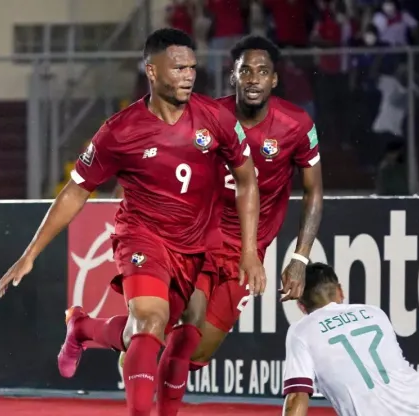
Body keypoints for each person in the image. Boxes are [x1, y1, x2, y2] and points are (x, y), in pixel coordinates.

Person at [0, 28, 265, 416]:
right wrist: (31, 253)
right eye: (178, 67)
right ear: (152, 71)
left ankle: (83, 329)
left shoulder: (217, 118)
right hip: (144, 237)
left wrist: (250, 251)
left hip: (198, 242)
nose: (189, 74)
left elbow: (246, 179)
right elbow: (75, 191)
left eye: (192, 67)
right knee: (151, 324)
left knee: (187, 334)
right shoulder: (119, 131)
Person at [120, 34, 324, 377]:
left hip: (247, 249)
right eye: (245, 71)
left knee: (195, 354)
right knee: (157, 330)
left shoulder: (297, 125)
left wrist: (300, 258)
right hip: (200, 239)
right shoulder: (210, 115)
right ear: (234, 75)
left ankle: (95, 331)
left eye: (262, 71)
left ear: (274, 79)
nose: (253, 79)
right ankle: (116, 346)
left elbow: (314, 191)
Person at [281, 263, 419, 416]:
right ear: (340, 291)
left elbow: (297, 398)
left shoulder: (301, 331)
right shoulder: (374, 313)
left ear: (301, 306)